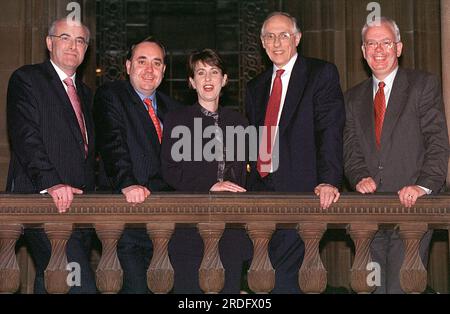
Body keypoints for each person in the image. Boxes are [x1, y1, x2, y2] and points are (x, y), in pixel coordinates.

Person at [343, 17, 449, 293]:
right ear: (363, 51)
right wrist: (359, 177)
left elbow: (437, 142)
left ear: (399, 48)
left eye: (386, 42)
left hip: (411, 210)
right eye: (371, 43)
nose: (379, 49)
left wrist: (423, 185)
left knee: (401, 288)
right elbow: (351, 148)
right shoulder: (352, 98)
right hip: (368, 211)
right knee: (371, 289)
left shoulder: (422, 85)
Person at [245, 12, 345, 293]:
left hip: (301, 192)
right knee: (262, 279)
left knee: (286, 281)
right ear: (262, 43)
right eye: (269, 36)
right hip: (260, 196)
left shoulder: (320, 73)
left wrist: (329, 180)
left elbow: (330, 131)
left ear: (297, 39)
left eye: (284, 35)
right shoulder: (256, 87)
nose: (276, 43)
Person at [6, 18, 96, 293]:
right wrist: (51, 182)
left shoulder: (87, 94)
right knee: (80, 285)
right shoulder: (27, 79)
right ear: (49, 43)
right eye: (65, 38)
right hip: (42, 201)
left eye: (80, 41)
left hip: (81, 208)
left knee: (52, 283)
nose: (73, 46)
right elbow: (25, 136)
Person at [94, 37, 181, 293]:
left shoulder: (173, 109)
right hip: (127, 218)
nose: (149, 69)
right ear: (128, 65)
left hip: (166, 223)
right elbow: (112, 143)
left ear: (164, 70)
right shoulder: (111, 95)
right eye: (142, 61)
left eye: (157, 63)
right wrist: (127, 182)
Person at [161, 49, 252, 293]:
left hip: (231, 230)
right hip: (191, 228)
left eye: (214, 72)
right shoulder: (177, 120)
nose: (208, 79)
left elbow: (248, 175)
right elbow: (170, 171)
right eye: (200, 73)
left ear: (224, 80)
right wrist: (210, 185)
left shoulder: (240, 122)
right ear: (192, 82)